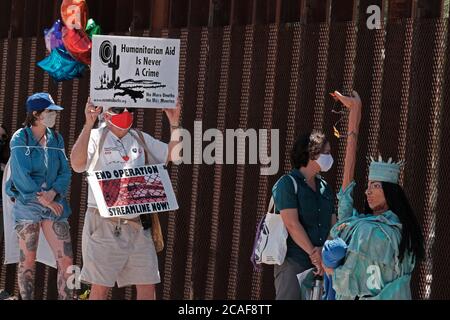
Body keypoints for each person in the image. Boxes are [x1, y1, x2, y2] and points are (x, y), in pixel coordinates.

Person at [70, 98, 181, 300]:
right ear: (106, 113)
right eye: (119, 108)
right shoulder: (95, 137)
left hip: (138, 225)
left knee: (148, 286)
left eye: (130, 108)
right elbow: (77, 164)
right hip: (105, 223)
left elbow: (173, 155)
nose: (127, 112)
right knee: (100, 288)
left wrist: (174, 123)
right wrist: (88, 124)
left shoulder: (139, 137)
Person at [322, 90, 425, 300]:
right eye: (368, 185)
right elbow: (345, 196)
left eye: (376, 186)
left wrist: (332, 271)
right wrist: (354, 118)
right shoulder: (392, 230)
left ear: (390, 192)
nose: (368, 191)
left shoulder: (370, 232)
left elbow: (346, 282)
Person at [5, 93, 73, 300]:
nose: (53, 115)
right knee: (28, 259)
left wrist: (52, 194)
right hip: (28, 204)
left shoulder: (57, 138)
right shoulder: (20, 137)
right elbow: (19, 174)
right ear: (36, 114)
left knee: (68, 260)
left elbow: (65, 171)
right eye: (49, 111)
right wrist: (43, 198)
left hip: (54, 203)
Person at [271, 129, 336, 300]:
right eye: (326, 153)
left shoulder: (325, 187)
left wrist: (324, 253)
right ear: (311, 154)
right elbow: (292, 224)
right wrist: (314, 254)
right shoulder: (287, 183)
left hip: (322, 264)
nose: (330, 157)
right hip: (295, 262)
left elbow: (333, 223)